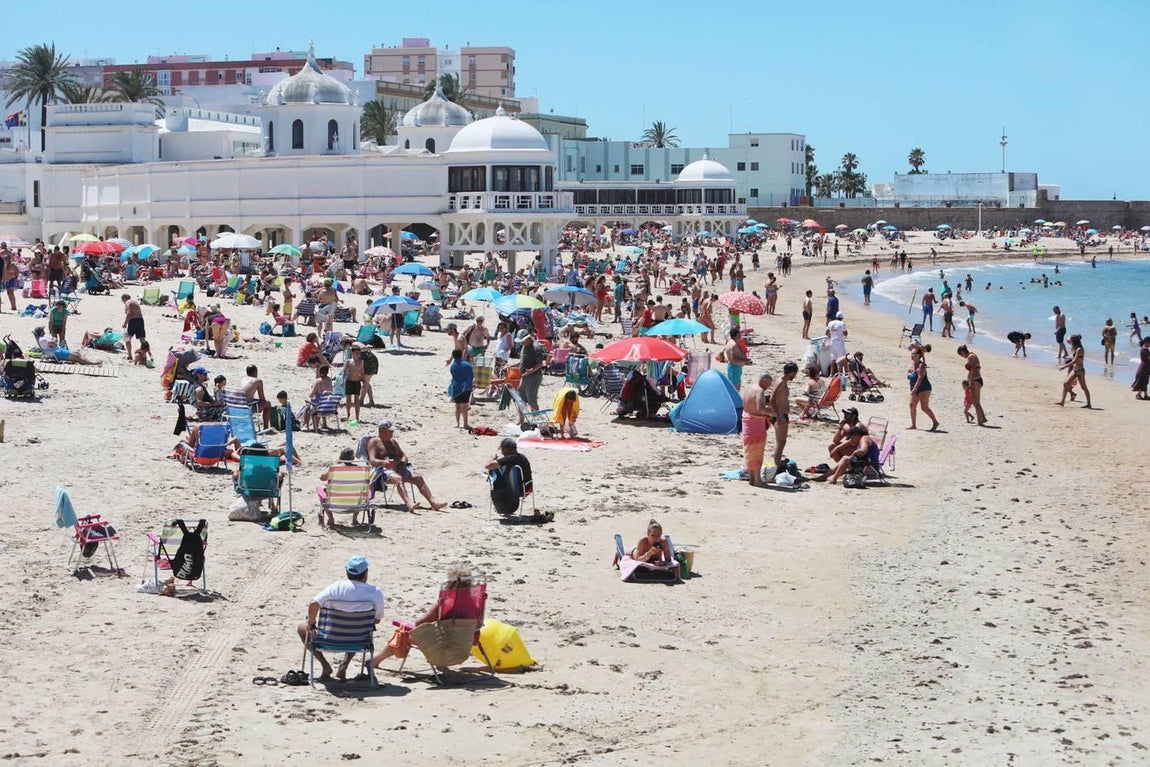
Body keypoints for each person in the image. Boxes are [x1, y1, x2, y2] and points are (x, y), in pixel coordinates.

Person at [369, 564, 478, 668]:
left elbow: (419, 623)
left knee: (403, 632)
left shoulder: (446, 604)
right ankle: (375, 660)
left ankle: (375, 661)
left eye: (447, 582)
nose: (445, 585)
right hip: (464, 644)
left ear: (452, 585)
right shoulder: (475, 603)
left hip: (444, 645)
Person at [296, 556, 384, 682]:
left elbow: (313, 604)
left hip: (329, 639)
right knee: (360, 629)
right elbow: (377, 620)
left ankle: (325, 666)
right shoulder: (375, 592)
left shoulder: (336, 588)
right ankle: (344, 666)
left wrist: (311, 623)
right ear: (366, 573)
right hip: (358, 641)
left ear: (347, 572)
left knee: (302, 628)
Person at [365, 421, 447, 512]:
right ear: (382, 430)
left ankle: (433, 503)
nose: (392, 433)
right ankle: (409, 504)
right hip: (384, 470)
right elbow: (372, 460)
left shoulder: (393, 441)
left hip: (399, 467)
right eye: (390, 431)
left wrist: (402, 464)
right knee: (398, 479)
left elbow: (404, 456)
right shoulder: (373, 442)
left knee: (418, 478)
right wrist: (384, 462)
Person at [486, 438, 548, 519]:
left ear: (506, 449)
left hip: (506, 491)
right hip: (524, 489)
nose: (502, 452)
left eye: (502, 449)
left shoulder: (506, 460)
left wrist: (492, 458)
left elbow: (487, 466)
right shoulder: (522, 458)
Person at [742, 372, 773, 486]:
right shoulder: (759, 391)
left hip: (747, 422)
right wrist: (772, 413)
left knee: (749, 451)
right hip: (756, 424)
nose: (768, 387)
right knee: (757, 451)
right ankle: (757, 480)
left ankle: (752, 478)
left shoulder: (749, 388)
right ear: (764, 381)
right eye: (768, 384)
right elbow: (760, 409)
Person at [769, 362, 799, 470]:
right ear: (791, 372)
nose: (795, 376)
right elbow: (772, 399)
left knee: (781, 442)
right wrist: (778, 415)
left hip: (782, 414)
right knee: (780, 443)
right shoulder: (780, 382)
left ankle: (777, 464)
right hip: (780, 415)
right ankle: (776, 466)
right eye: (795, 374)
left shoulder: (782, 382)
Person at [908, 345, 939, 431]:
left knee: (924, 407)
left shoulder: (922, 365)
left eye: (913, 354)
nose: (911, 355)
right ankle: (913, 425)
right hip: (915, 387)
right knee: (912, 405)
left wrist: (914, 389)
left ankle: (935, 422)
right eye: (911, 353)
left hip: (924, 388)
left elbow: (920, 378)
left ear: (918, 355)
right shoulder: (913, 364)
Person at [1057, 334, 1092, 408]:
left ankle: (1089, 404)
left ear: (1074, 341)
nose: (1070, 342)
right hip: (1074, 369)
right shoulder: (1075, 348)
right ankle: (1062, 401)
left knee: (1084, 387)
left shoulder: (1079, 349)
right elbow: (1074, 359)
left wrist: (1064, 366)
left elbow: (1075, 360)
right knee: (1066, 383)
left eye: (1071, 340)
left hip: (1080, 370)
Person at [516, 328, 547, 411]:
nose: (521, 343)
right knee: (520, 399)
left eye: (523, 340)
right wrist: (511, 365)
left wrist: (531, 371)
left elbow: (540, 364)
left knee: (532, 401)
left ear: (528, 338)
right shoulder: (524, 346)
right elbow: (523, 360)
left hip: (533, 378)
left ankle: (535, 420)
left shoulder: (536, 348)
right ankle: (522, 420)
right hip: (524, 377)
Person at [956, 345, 987, 425]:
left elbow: (973, 369)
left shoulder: (970, 356)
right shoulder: (973, 355)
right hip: (977, 380)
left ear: (962, 352)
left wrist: (971, 383)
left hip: (975, 381)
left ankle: (980, 421)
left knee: (975, 402)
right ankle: (982, 418)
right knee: (976, 402)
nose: (962, 356)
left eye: (960, 354)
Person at [448, 348, 474, 429]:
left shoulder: (453, 366)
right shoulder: (468, 365)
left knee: (457, 406)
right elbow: (472, 376)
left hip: (457, 388)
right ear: (461, 355)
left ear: (454, 356)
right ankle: (465, 424)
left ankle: (457, 423)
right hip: (467, 387)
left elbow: (453, 376)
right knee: (464, 406)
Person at [343, 345, 365, 426]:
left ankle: (357, 417)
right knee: (348, 399)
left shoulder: (361, 362)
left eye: (359, 353)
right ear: (352, 353)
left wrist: (364, 381)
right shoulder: (348, 361)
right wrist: (342, 381)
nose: (358, 355)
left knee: (357, 400)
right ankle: (348, 415)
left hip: (357, 382)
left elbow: (362, 372)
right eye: (356, 353)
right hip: (349, 381)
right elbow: (344, 372)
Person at [121, 293, 145, 360]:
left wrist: (125, 323)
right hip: (140, 320)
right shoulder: (135, 302)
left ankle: (129, 356)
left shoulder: (127, 302)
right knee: (142, 339)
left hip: (133, 321)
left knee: (127, 339)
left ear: (124, 298)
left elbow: (129, 313)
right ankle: (144, 355)